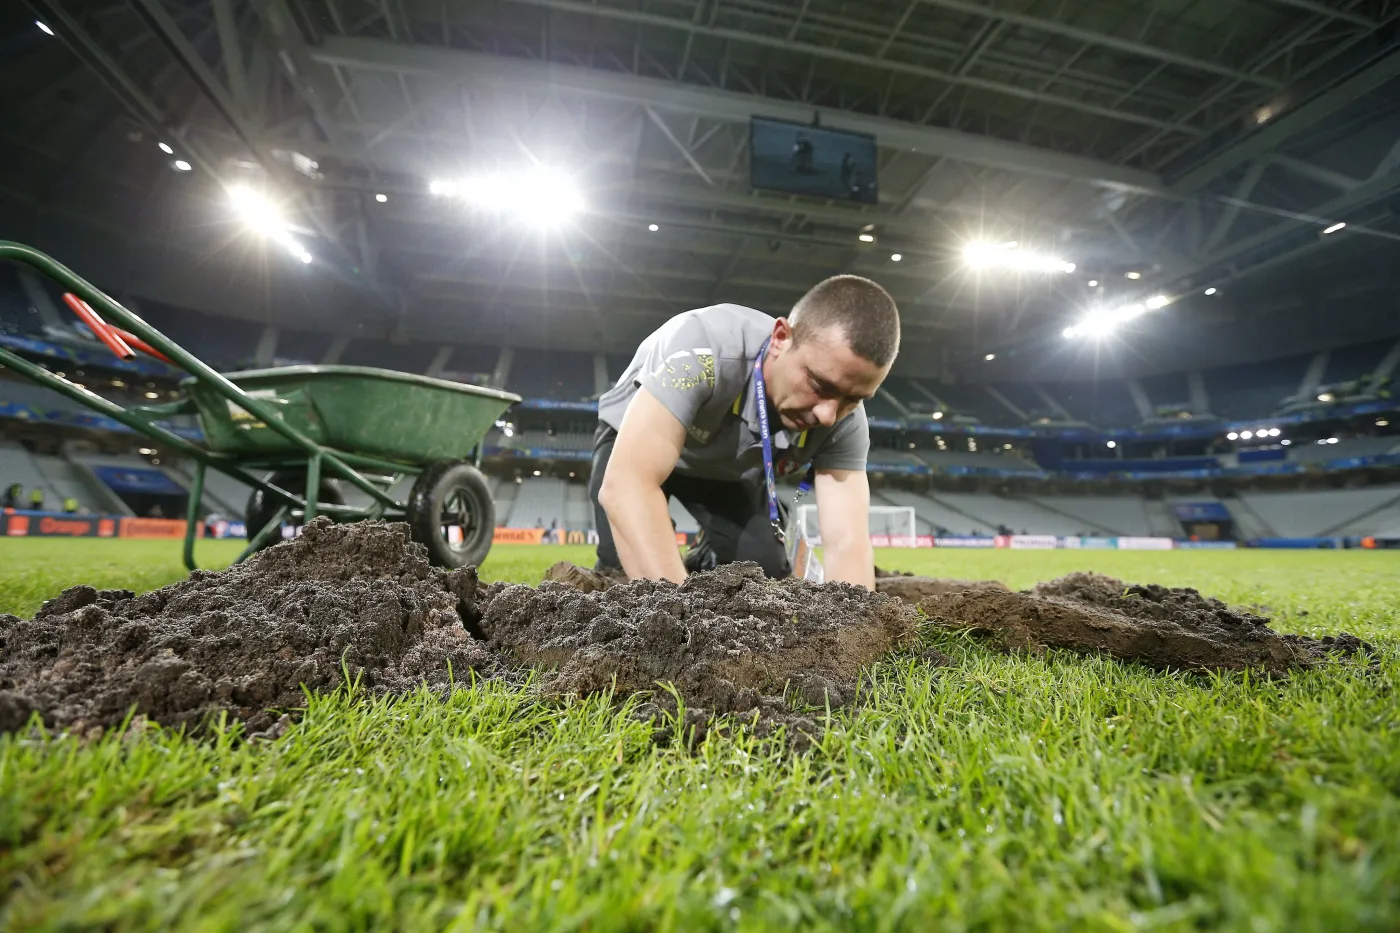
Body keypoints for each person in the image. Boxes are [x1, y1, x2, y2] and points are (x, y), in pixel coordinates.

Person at [590, 275, 900, 589]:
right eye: (819, 385)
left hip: (723, 472)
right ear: (781, 338)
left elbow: (847, 540)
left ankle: (706, 557)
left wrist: (854, 617)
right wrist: (681, 611)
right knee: (625, 573)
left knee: (763, 575)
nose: (828, 416)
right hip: (633, 443)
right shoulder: (702, 351)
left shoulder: (847, 420)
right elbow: (627, 485)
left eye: (853, 399)